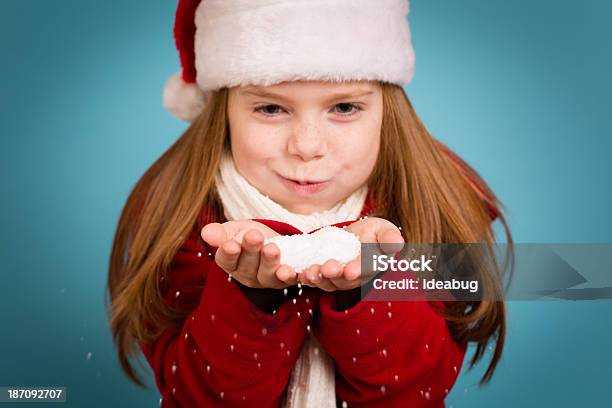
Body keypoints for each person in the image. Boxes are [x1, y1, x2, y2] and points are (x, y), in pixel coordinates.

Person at [106, 0, 512, 406]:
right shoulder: (182, 214)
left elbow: (416, 388)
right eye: (270, 108)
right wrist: (250, 293)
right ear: (223, 112)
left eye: (344, 107)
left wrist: (374, 284)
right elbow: (197, 394)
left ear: (387, 111)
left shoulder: (430, 206)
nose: (307, 147)